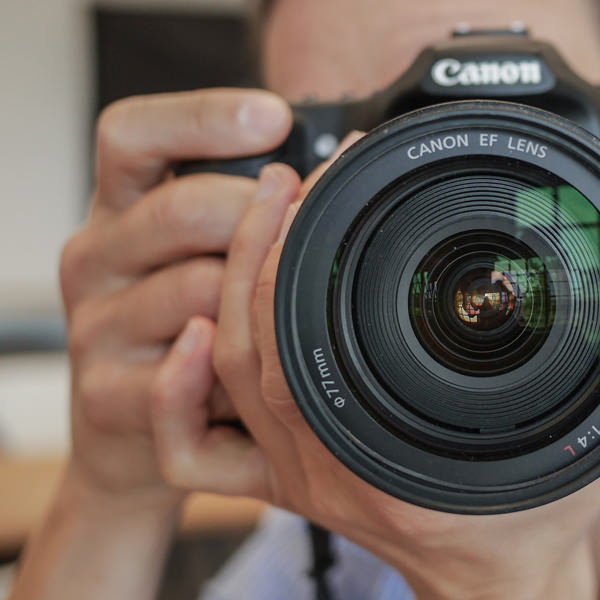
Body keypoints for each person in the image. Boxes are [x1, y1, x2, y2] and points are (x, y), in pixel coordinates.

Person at [9, 0, 600, 598]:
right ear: (286, 194)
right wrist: (112, 490)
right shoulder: (335, 514)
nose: (464, 180)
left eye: (540, 128)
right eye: (365, 150)